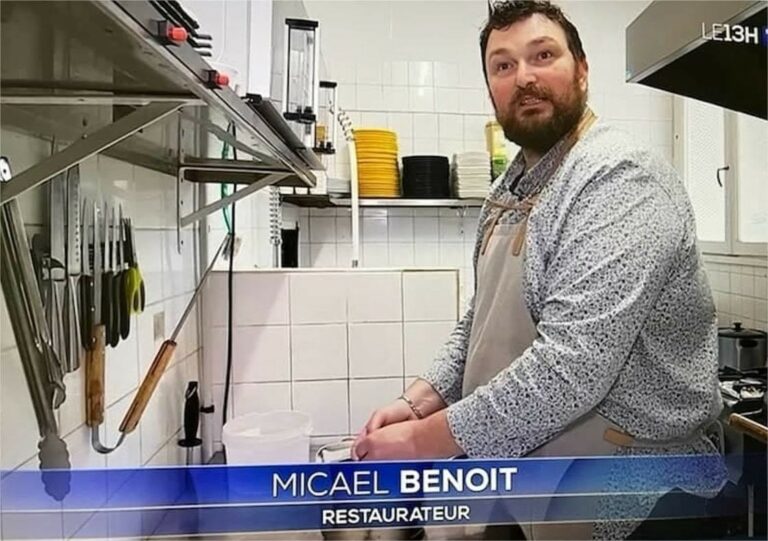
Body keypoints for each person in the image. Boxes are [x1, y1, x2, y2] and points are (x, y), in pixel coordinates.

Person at [352, 1, 726, 538]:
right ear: (491, 89)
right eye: (503, 65)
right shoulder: (508, 190)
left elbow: (572, 367)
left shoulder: (619, 178)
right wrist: (418, 400)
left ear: (582, 70)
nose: (523, 77)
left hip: (636, 491)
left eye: (543, 55)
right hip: (538, 469)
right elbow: (479, 324)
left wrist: (421, 441)